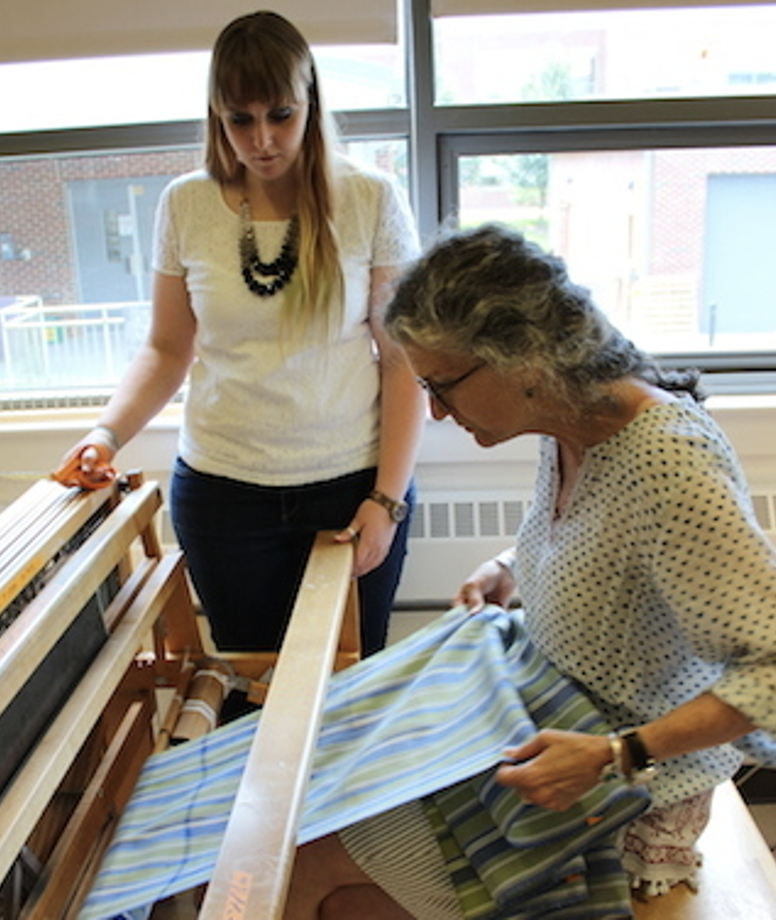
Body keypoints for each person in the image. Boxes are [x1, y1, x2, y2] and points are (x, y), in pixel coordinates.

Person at [283, 222, 776, 918]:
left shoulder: (669, 462)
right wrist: (509, 567)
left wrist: (618, 752)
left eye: (443, 386)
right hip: (541, 717)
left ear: (523, 360)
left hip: (618, 778)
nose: (436, 412)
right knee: (312, 826)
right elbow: (614, 540)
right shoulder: (571, 420)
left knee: (304, 870)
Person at [54, 11, 425, 656]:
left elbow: (402, 360)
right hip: (223, 497)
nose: (263, 140)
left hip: (350, 487)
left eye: (281, 114)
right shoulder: (186, 204)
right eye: (240, 120)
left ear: (311, 102)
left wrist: (387, 500)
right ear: (216, 117)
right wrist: (105, 434)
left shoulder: (371, 198)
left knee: (353, 682)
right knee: (247, 685)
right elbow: (167, 348)